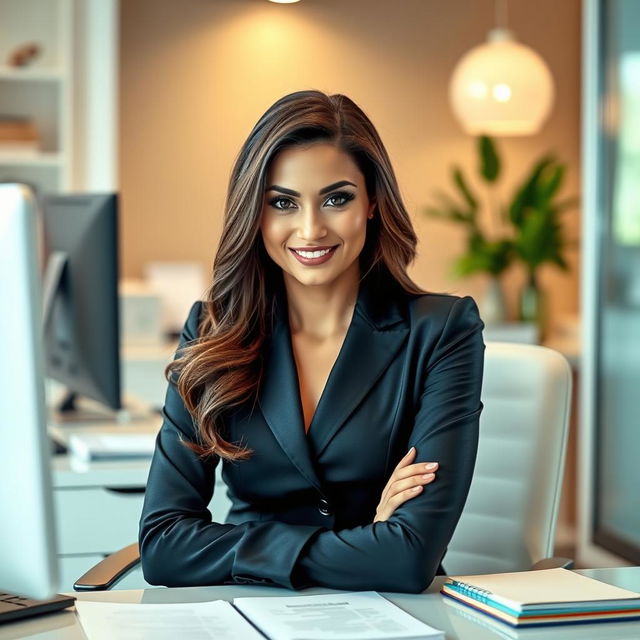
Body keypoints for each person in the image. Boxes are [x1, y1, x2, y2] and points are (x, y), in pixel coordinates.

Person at [139, 90, 485, 594]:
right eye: (282, 202)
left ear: (372, 203)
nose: (310, 229)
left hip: (391, 620)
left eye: (336, 198)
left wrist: (236, 543)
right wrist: (369, 538)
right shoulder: (213, 332)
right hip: (246, 612)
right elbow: (164, 545)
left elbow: (409, 559)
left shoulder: (443, 331)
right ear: (254, 214)